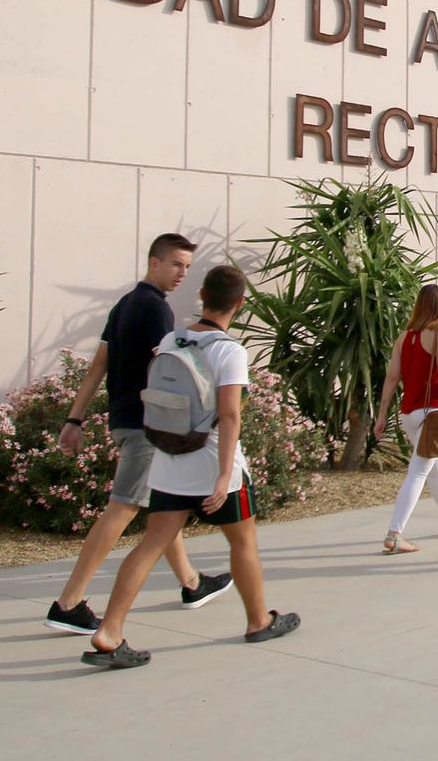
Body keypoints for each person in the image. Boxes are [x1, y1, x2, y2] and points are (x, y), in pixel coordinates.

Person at [82, 264, 300, 669]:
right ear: (240, 303)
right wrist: (222, 475)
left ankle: (109, 631)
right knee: (242, 541)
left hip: (169, 458)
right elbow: (230, 414)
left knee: (151, 544)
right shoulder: (229, 350)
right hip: (212, 461)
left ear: (202, 295)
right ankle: (258, 620)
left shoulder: (170, 340)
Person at [43, 233, 233, 635]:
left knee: (162, 508)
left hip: (124, 422)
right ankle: (68, 602)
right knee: (123, 508)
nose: (182, 273)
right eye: (176, 264)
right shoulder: (157, 312)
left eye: (187, 266)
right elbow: (168, 378)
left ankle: (192, 584)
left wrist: (74, 420)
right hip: (148, 427)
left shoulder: (125, 305)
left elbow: (97, 367)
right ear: (155, 263)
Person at [371, 285, 438, 554]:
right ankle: (394, 535)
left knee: (435, 470)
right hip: (432, 413)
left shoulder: (403, 337)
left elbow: (392, 378)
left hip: (409, 413)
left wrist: (382, 414)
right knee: (419, 471)